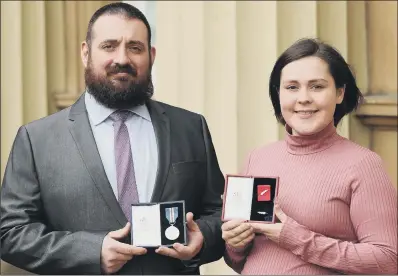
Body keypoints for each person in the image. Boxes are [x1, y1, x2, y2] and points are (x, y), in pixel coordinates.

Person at [1, 3, 225, 275]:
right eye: (109, 46)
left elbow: (218, 213)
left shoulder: (190, 127)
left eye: (135, 47)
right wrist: (91, 251)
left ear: (151, 55)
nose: (122, 59)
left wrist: (203, 237)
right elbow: (11, 232)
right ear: (86, 53)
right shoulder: (37, 140)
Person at [222, 38, 397, 275]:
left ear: (339, 93)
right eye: (292, 87)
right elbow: (239, 260)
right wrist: (236, 244)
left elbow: (387, 260)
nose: (303, 98)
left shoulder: (364, 165)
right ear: (279, 94)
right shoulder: (259, 157)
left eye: (316, 86)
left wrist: (296, 237)